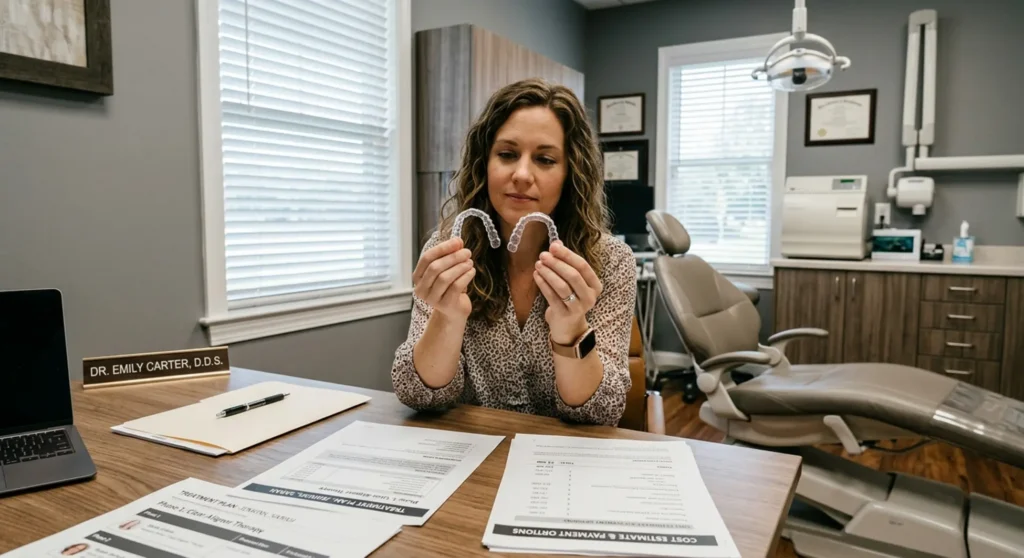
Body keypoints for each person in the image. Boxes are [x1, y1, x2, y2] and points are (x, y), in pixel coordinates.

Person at [391, 78, 637, 426]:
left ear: (570, 173)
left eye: (545, 159)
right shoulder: (448, 252)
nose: (521, 175)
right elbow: (419, 395)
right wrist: (447, 317)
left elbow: (602, 410)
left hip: (566, 465)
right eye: (507, 154)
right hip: (473, 461)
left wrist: (570, 328)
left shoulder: (610, 262)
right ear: (484, 162)